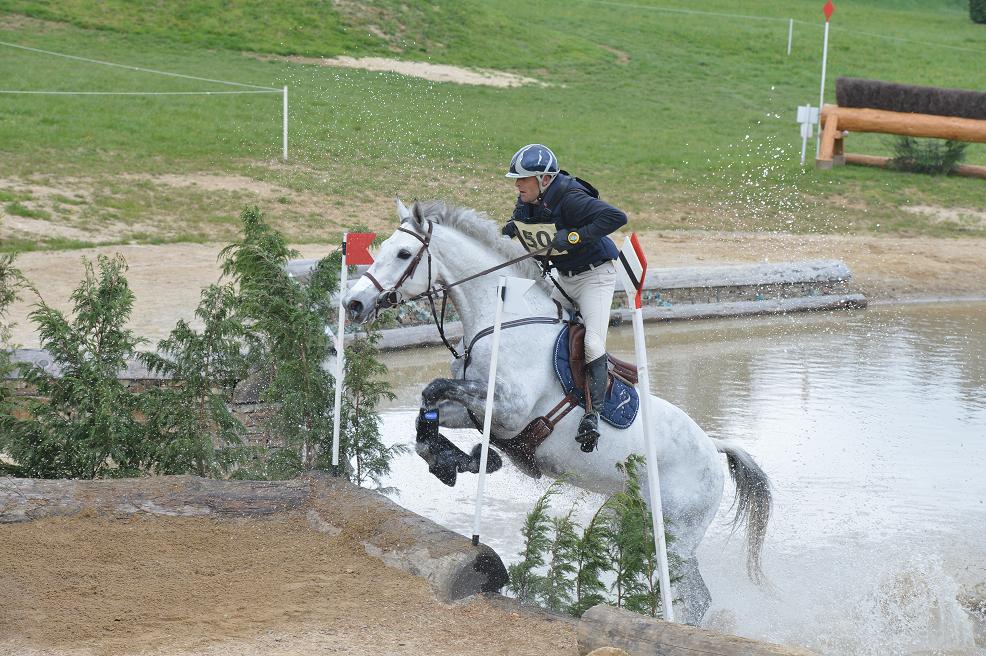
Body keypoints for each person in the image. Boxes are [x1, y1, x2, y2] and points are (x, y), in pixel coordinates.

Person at [501, 143, 627, 453]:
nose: (517, 185)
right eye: (516, 179)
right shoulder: (526, 203)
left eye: (523, 179)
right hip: (563, 278)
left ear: (544, 179)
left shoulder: (570, 197)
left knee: (592, 344)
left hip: (594, 277)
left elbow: (616, 217)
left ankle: (592, 416)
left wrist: (572, 236)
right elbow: (525, 234)